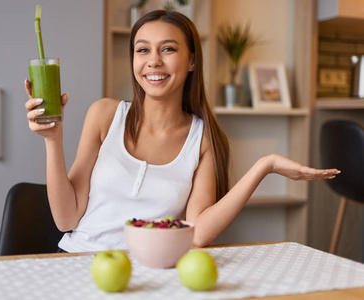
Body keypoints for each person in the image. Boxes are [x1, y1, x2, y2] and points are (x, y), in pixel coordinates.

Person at [24, 10, 339, 253]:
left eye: (168, 49)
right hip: (78, 261)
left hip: (154, 273)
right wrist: (53, 140)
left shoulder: (203, 139)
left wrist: (264, 165)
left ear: (191, 60)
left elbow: (198, 232)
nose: (153, 62)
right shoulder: (105, 115)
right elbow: (67, 220)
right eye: (143, 50)